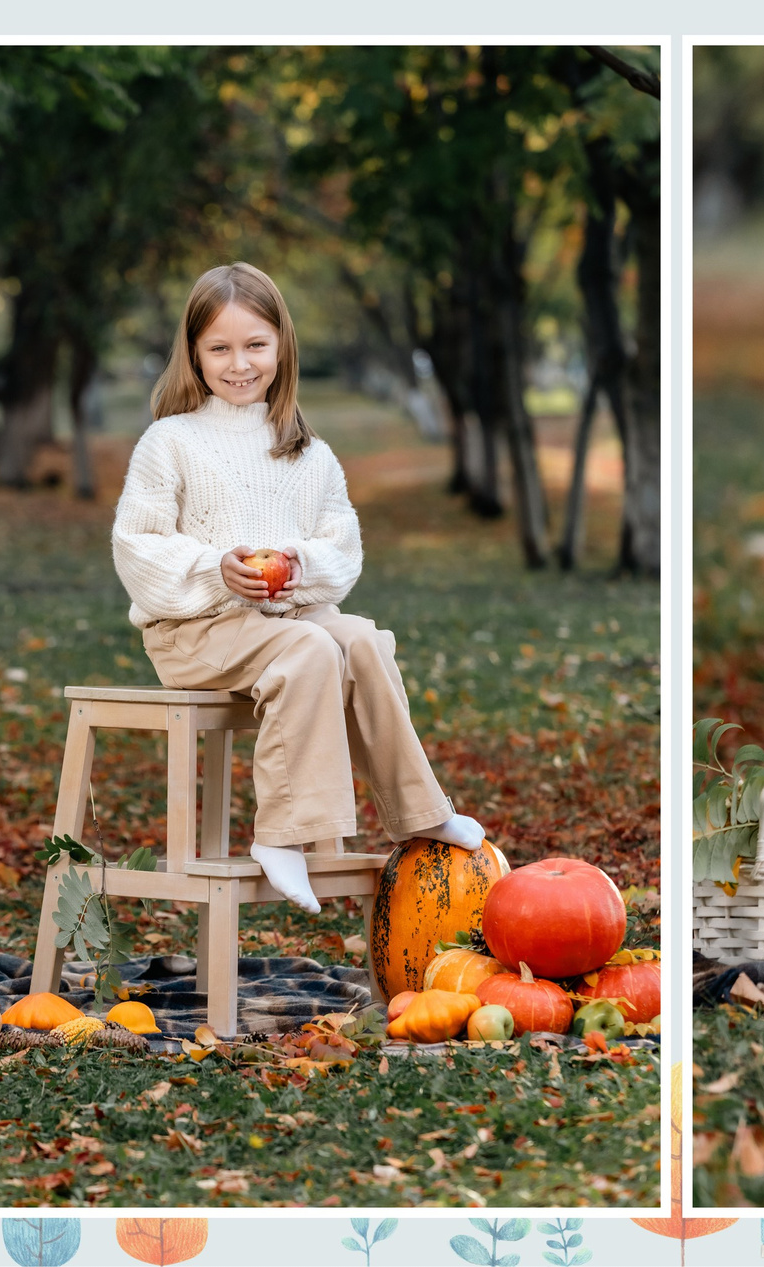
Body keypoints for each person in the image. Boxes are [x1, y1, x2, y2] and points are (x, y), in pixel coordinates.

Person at [111, 262, 486, 913]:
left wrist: (298, 563)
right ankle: (281, 835)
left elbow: (341, 546)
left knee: (362, 639)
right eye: (219, 348)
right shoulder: (170, 442)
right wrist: (212, 568)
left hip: (281, 620)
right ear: (194, 354)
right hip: (192, 631)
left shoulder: (306, 451)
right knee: (310, 651)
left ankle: (420, 810)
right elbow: (137, 545)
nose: (239, 363)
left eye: (255, 345)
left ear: (281, 345)